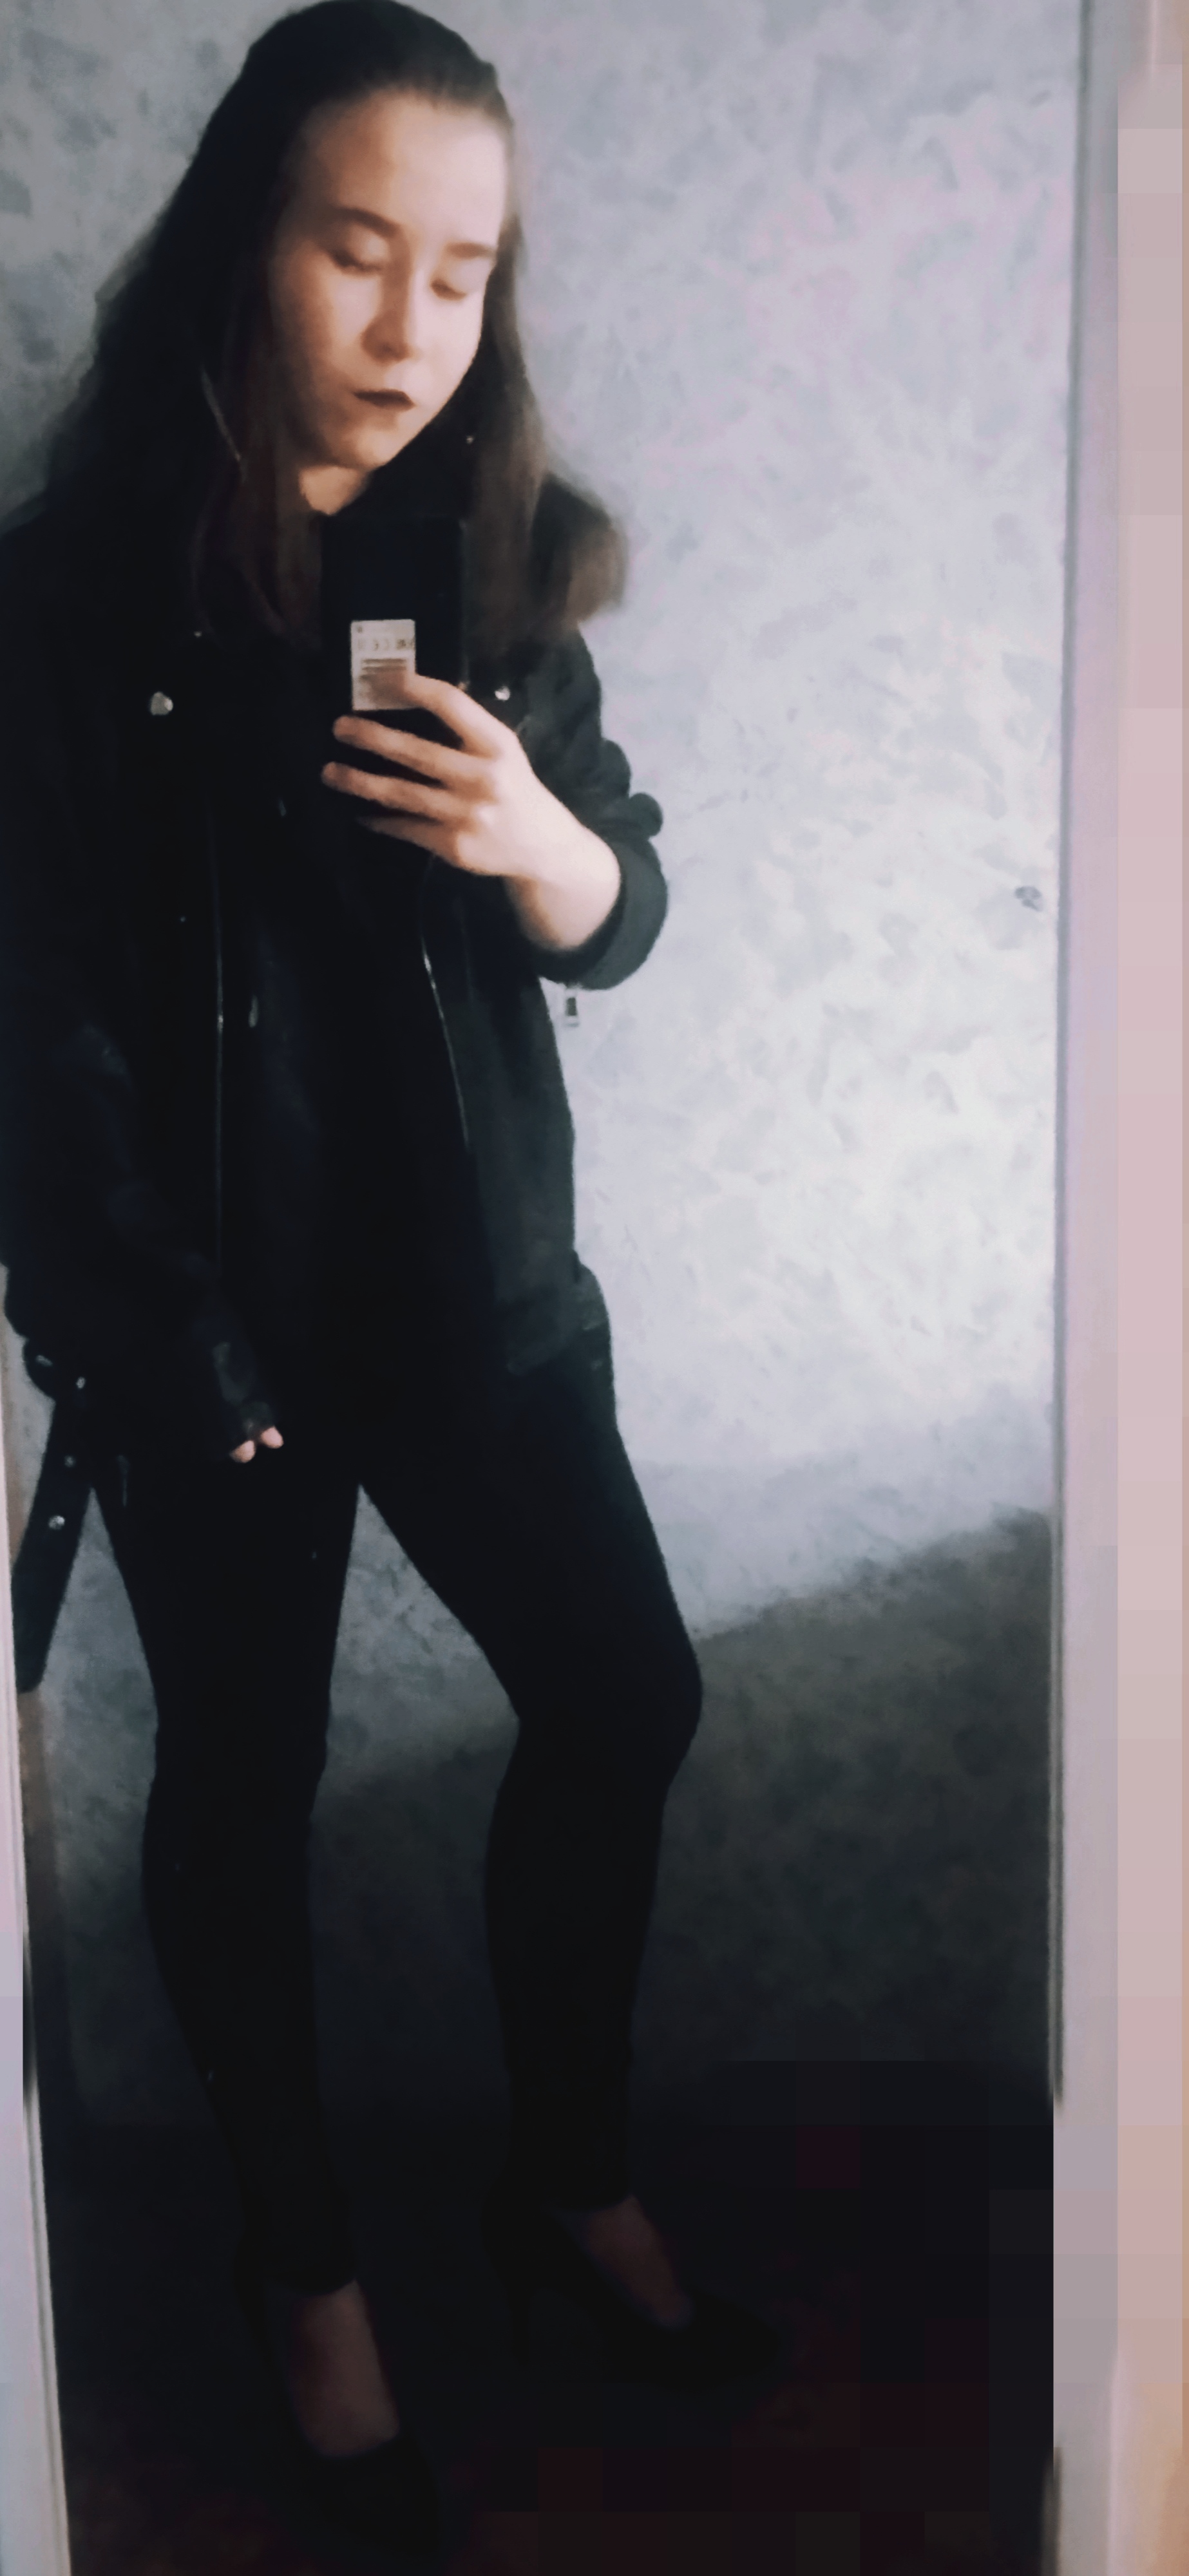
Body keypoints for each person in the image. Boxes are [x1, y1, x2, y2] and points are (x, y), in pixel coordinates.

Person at [0, 3, 777, 2555]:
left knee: (626, 1697)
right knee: (238, 1799)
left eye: (463, 269)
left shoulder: (499, 561)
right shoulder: (65, 598)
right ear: (251, 237)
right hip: (214, 1335)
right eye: (361, 249)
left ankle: (566, 2176)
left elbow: (622, 912)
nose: (415, 321)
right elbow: (40, 1029)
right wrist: (164, 1343)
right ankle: (306, 2271)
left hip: (479, 1303)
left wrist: (552, 842)